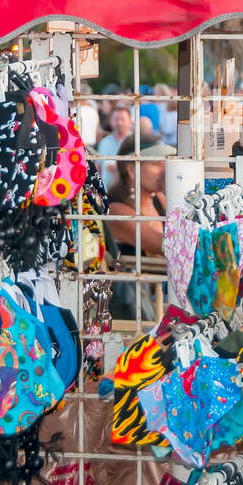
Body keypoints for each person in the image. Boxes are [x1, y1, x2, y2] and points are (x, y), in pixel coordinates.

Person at [105, 133, 174, 324]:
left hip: (158, 298)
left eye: (164, 163)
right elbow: (163, 244)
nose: (164, 170)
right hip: (133, 309)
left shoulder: (158, 198)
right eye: (155, 164)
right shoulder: (117, 209)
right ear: (131, 169)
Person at [97, 104, 133, 190]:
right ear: (111, 121)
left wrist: (119, 168)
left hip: (129, 190)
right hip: (106, 191)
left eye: (122, 119)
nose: (119, 123)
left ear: (130, 121)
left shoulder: (135, 141)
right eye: (116, 119)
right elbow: (98, 166)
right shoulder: (104, 142)